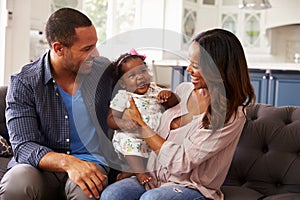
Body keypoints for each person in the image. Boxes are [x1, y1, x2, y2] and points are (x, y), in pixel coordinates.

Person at [100, 28, 256, 200]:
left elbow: (181, 162)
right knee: (111, 195)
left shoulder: (231, 116)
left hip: (191, 187)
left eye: (196, 66)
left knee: (152, 199)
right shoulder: (183, 90)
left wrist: (141, 124)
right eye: (190, 62)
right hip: (155, 178)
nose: (188, 69)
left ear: (218, 69)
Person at [0, 7, 118, 200]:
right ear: (58, 49)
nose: (95, 54)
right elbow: (23, 146)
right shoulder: (25, 82)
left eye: (95, 45)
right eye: (87, 49)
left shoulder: (102, 72)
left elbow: (137, 88)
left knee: (86, 191)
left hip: (90, 164)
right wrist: (68, 162)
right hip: (39, 168)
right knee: (17, 182)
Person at [107, 49, 179, 185]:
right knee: (129, 142)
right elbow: (111, 119)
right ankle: (139, 172)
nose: (140, 77)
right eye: (132, 75)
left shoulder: (156, 89)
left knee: (164, 144)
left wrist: (169, 96)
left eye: (142, 71)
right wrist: (123, 123)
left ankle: (133, 170)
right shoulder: (123, 97)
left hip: (154, 135)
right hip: (133, 135)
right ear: (123, 83)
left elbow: (174, 103)